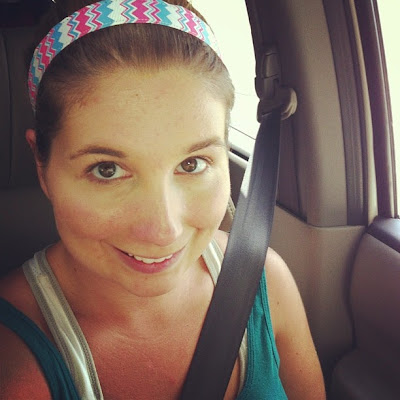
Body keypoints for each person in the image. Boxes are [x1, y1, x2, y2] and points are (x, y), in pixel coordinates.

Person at [0, 0, 326, 398]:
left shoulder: (264, 280)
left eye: (192, 164)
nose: (162, 231)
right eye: (107, 170)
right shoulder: (12, 361)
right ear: (42, 165)